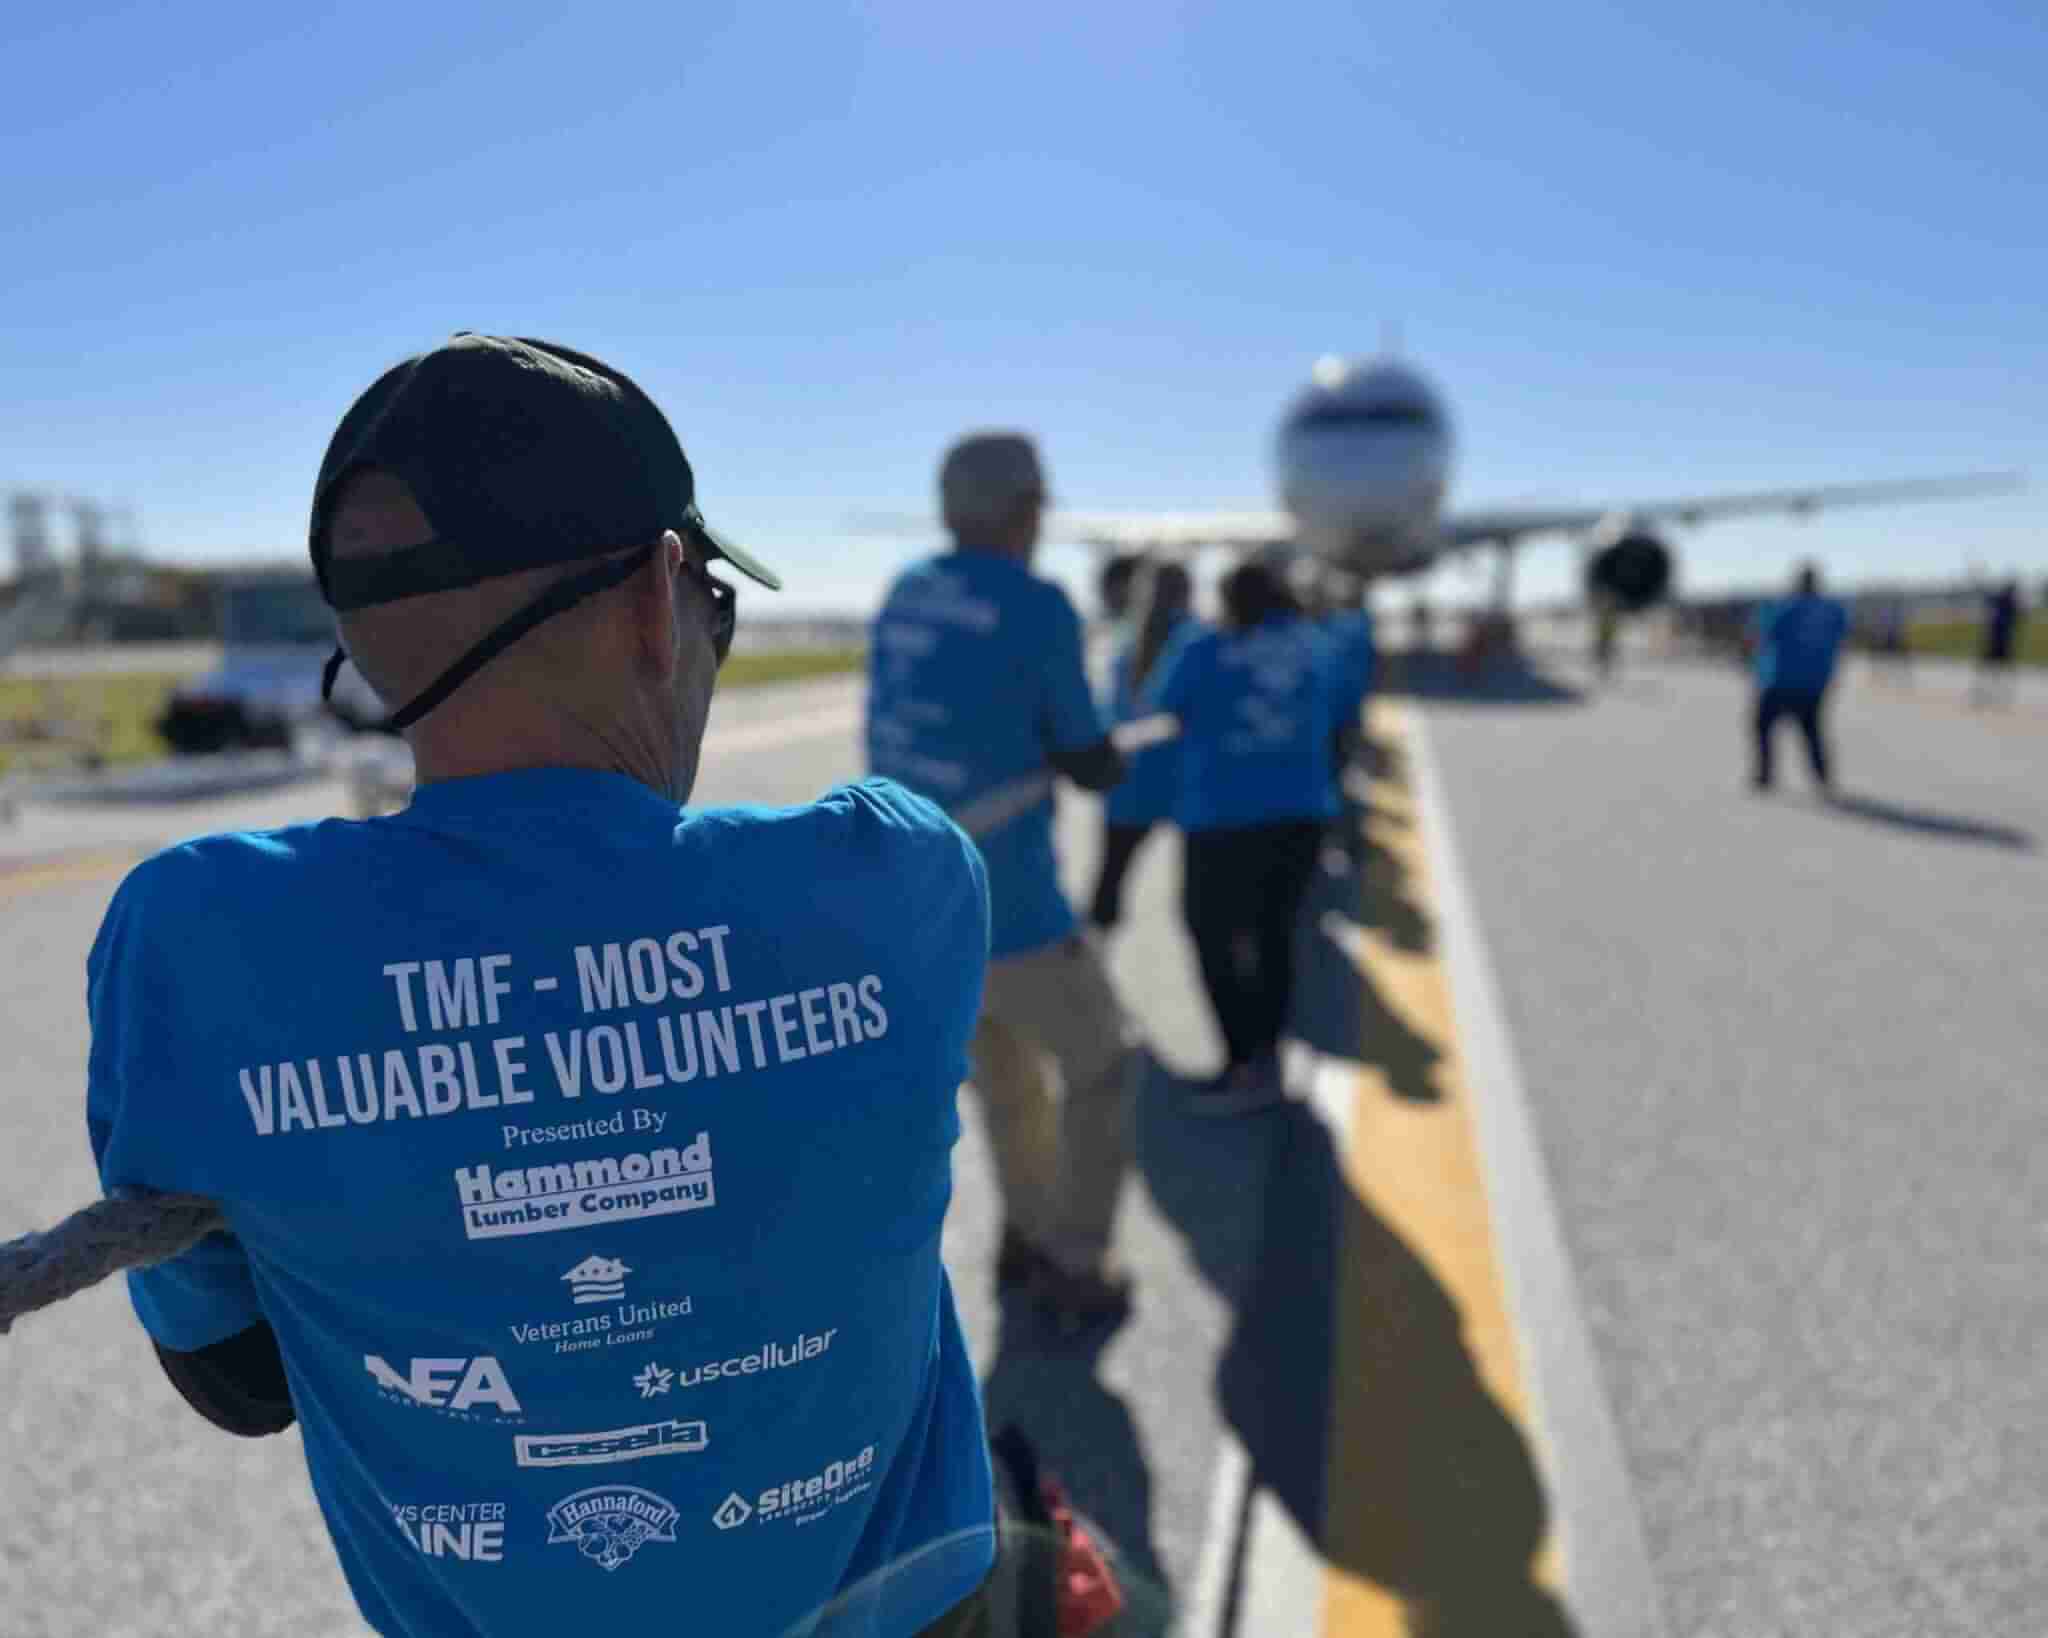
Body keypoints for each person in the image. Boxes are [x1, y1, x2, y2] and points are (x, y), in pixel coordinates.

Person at [85, 335, 997, 1638]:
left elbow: (234, 1379)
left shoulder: (189, 940)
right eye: (715, 611)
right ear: (657, 594)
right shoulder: (896, 878)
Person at [867, 431, 1135, 1329]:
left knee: (1005, 1079)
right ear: (1025, 512)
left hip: (923, 910)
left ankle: (1023, 1233)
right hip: (1014, 906)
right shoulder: (1037, 605)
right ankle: (1075, 1260)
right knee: (1103, 1069)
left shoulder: (905, 594)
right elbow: (1089, 755)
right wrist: (1108, 759)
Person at [1143, 559, 1337, 1115]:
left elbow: (1163, 705)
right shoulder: (1313, 645)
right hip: (1301, 815)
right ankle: (1267, 1058)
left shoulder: (1203, 645)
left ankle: (1242, 1059)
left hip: (1222, 818)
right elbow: (1338, 709)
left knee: (1210, 935)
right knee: (1275, 937)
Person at [1089, 560, 1193, 929]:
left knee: (1108, 885)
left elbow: (1106, 716)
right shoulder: (1198, 640)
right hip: (1188, 785)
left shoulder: (1122, 647)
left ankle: (1092, 962)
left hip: (1128, 785)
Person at [1750, 561, 1848, 792]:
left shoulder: (1785, 607)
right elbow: (1841, 635)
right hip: (1816, 681)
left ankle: (1765, 775)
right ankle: (1822, 777)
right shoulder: (1833, 609)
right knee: (1812, 729)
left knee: (1762, 726)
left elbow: (1764, 633)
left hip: (1780, 680)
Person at [1973, 578, 2021, 706]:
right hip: (1998, 641)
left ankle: (1994, 695)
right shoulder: (2008, 602)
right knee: (1991, 669)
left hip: (1998, 641)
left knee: (1991, 669)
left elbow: (1986, 595)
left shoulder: (2004, 602)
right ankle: (1986, 694)